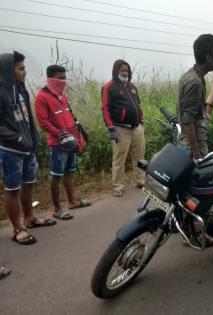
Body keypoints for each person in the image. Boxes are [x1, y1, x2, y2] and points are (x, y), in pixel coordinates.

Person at [0, 51, 56, 245]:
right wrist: (18, 138)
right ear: (8, 70)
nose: (25, 72)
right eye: (21, 68)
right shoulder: (1, 91)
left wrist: (33, 137)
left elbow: (28, 117)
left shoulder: (21, 89)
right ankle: (17, 229)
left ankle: (30, 219)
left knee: (28, 184)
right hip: (11, 151)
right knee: (13, 189)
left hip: (28, 149)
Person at [35, 65, 91, 220]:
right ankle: (57, 208)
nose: (63, 81)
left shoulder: (62, 96)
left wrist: (78, 136)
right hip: (57, 143)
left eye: (64, 78)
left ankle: (72, 201)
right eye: (60, 78)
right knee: (56, 175)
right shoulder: (41, 97)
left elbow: (70, 117)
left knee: (68, 173)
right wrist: (59, 133)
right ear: (51, 78)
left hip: (71, 141)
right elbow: (43, 123)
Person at [102, 60, 145, 197]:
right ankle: (118, 186)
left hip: (137, 128)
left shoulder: (132, 86)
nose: (125, 73)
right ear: (116, 71)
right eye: (122, 70)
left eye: (127, 70)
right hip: (121, 129)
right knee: (119, 159)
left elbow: (138, 104)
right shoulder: (109, 87)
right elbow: (105, 109)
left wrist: (141, 121)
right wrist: (111, 129)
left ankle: (140, 180)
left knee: (139, 157)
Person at [176, 34, 213, 159]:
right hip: (192, 146)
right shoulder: (194, 81)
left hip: (191, 142)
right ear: (208, 58)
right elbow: (188, 119)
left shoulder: (193, 76)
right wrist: (196, 151)